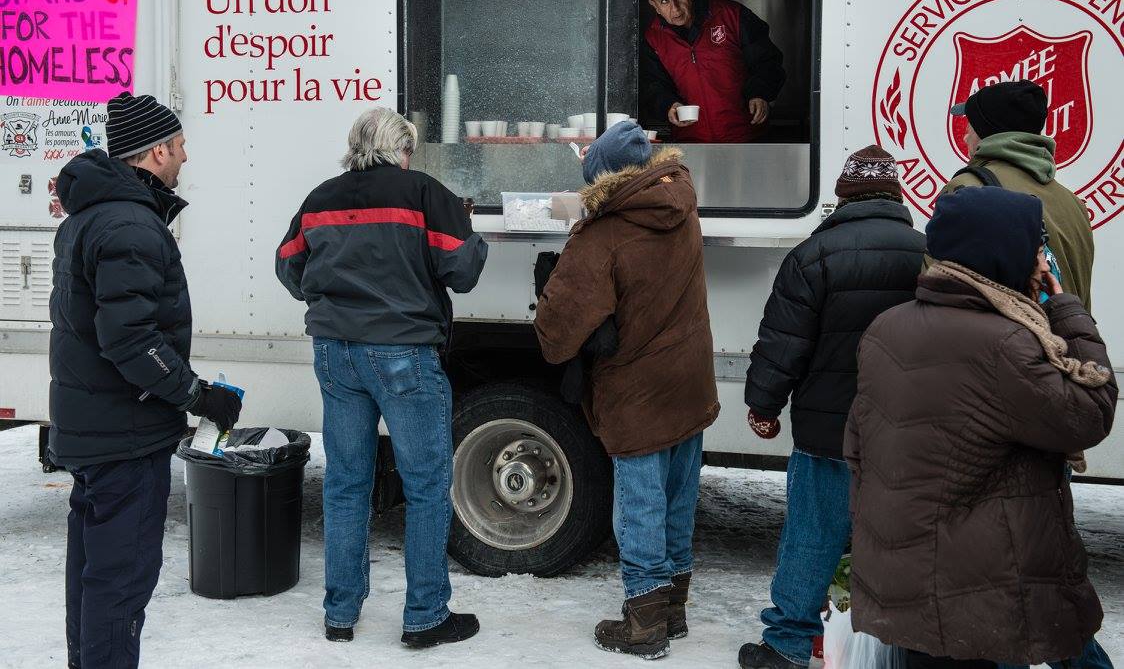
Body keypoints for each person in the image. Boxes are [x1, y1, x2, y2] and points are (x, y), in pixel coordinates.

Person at [845, 186, 1117, 668]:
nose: (1041, 263)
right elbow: (1089, 415)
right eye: (1035, 248)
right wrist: (1070, 311)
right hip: (981, 586)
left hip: (907, 576)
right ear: (1000, 252)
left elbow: (858, 444)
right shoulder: (1006, 343)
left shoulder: (886, 326)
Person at [275, 107, 488, 648]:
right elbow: (462, 269)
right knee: (425, 486)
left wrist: (331, 294)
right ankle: (424, 617)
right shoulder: (420, 192)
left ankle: (340, 614)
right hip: (401, 356)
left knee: (346, 485)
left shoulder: (320, 198)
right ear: (403, 151)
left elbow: (288, 265)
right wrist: (468, 225)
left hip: (335, 356)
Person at [50, 91, 243, 668]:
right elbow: (130, 339)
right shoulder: (129, 224)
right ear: (156, 151)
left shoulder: (93, 215)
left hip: (97, 427)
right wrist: (195, 394)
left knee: (93, 573)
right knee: (120, 579)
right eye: (180, 145)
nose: (185, 156)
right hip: (124, 433)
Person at [534, 120, 720, 660]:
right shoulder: (681, 206)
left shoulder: (605, 236)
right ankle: (674, 609)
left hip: (637, 394)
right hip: (689, 381)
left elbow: (555, 335)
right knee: (677, 500)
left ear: (603, 181)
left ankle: (644, 622)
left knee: (638, 507)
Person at [738, 146, 927, 669]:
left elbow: (783, 343)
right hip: (904, 433)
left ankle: (789, 642)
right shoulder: (926, 254)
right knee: (896, 539)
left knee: (812, 536)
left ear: (842, 197)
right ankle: (893, 646)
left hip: (828, 431)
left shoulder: (813, 255)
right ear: (896, 195)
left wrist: (764, 405)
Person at [944, 79, 1093, 310]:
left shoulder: (968, 190)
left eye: (969, 127)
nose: (965, 137)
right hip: (1069, 342)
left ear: (987, 131)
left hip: (1002, 345)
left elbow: (939, 292)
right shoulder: (1074, 204)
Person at [641, 0, 786, 143]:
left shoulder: (733, 15)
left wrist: (760, 93)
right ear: (655, 6)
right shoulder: (653, 38)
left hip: (746, 137)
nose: (675, 8)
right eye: (664, 1)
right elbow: (652, 85)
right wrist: (668, 105)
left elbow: (768, 61)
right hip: (691, 142)